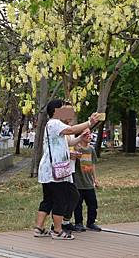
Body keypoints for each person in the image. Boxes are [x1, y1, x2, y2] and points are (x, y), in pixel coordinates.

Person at [34, 99, 101, 240]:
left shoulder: (54, 125)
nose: (68, 112)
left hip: (50, 170)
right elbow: (71, 130)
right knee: (61, 198)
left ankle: (39, 229)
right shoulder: (55, 123)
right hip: (56, 171)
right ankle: (58, 231)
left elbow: (69, 141)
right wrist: (90, 123)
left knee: (48, 199)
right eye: (64, 109)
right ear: (56, 111)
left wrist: (80, 137)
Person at [73, 131, 102, 232]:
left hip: (89, 183)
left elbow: (93, 165)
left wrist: (95, 179)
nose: (89, 136)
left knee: (92, 203)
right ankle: (78, 223)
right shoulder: (77, 149)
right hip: (78, 183)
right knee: (78, 204)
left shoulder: (91, 149)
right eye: (86, 134)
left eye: (90, 134)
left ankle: (91, 223)